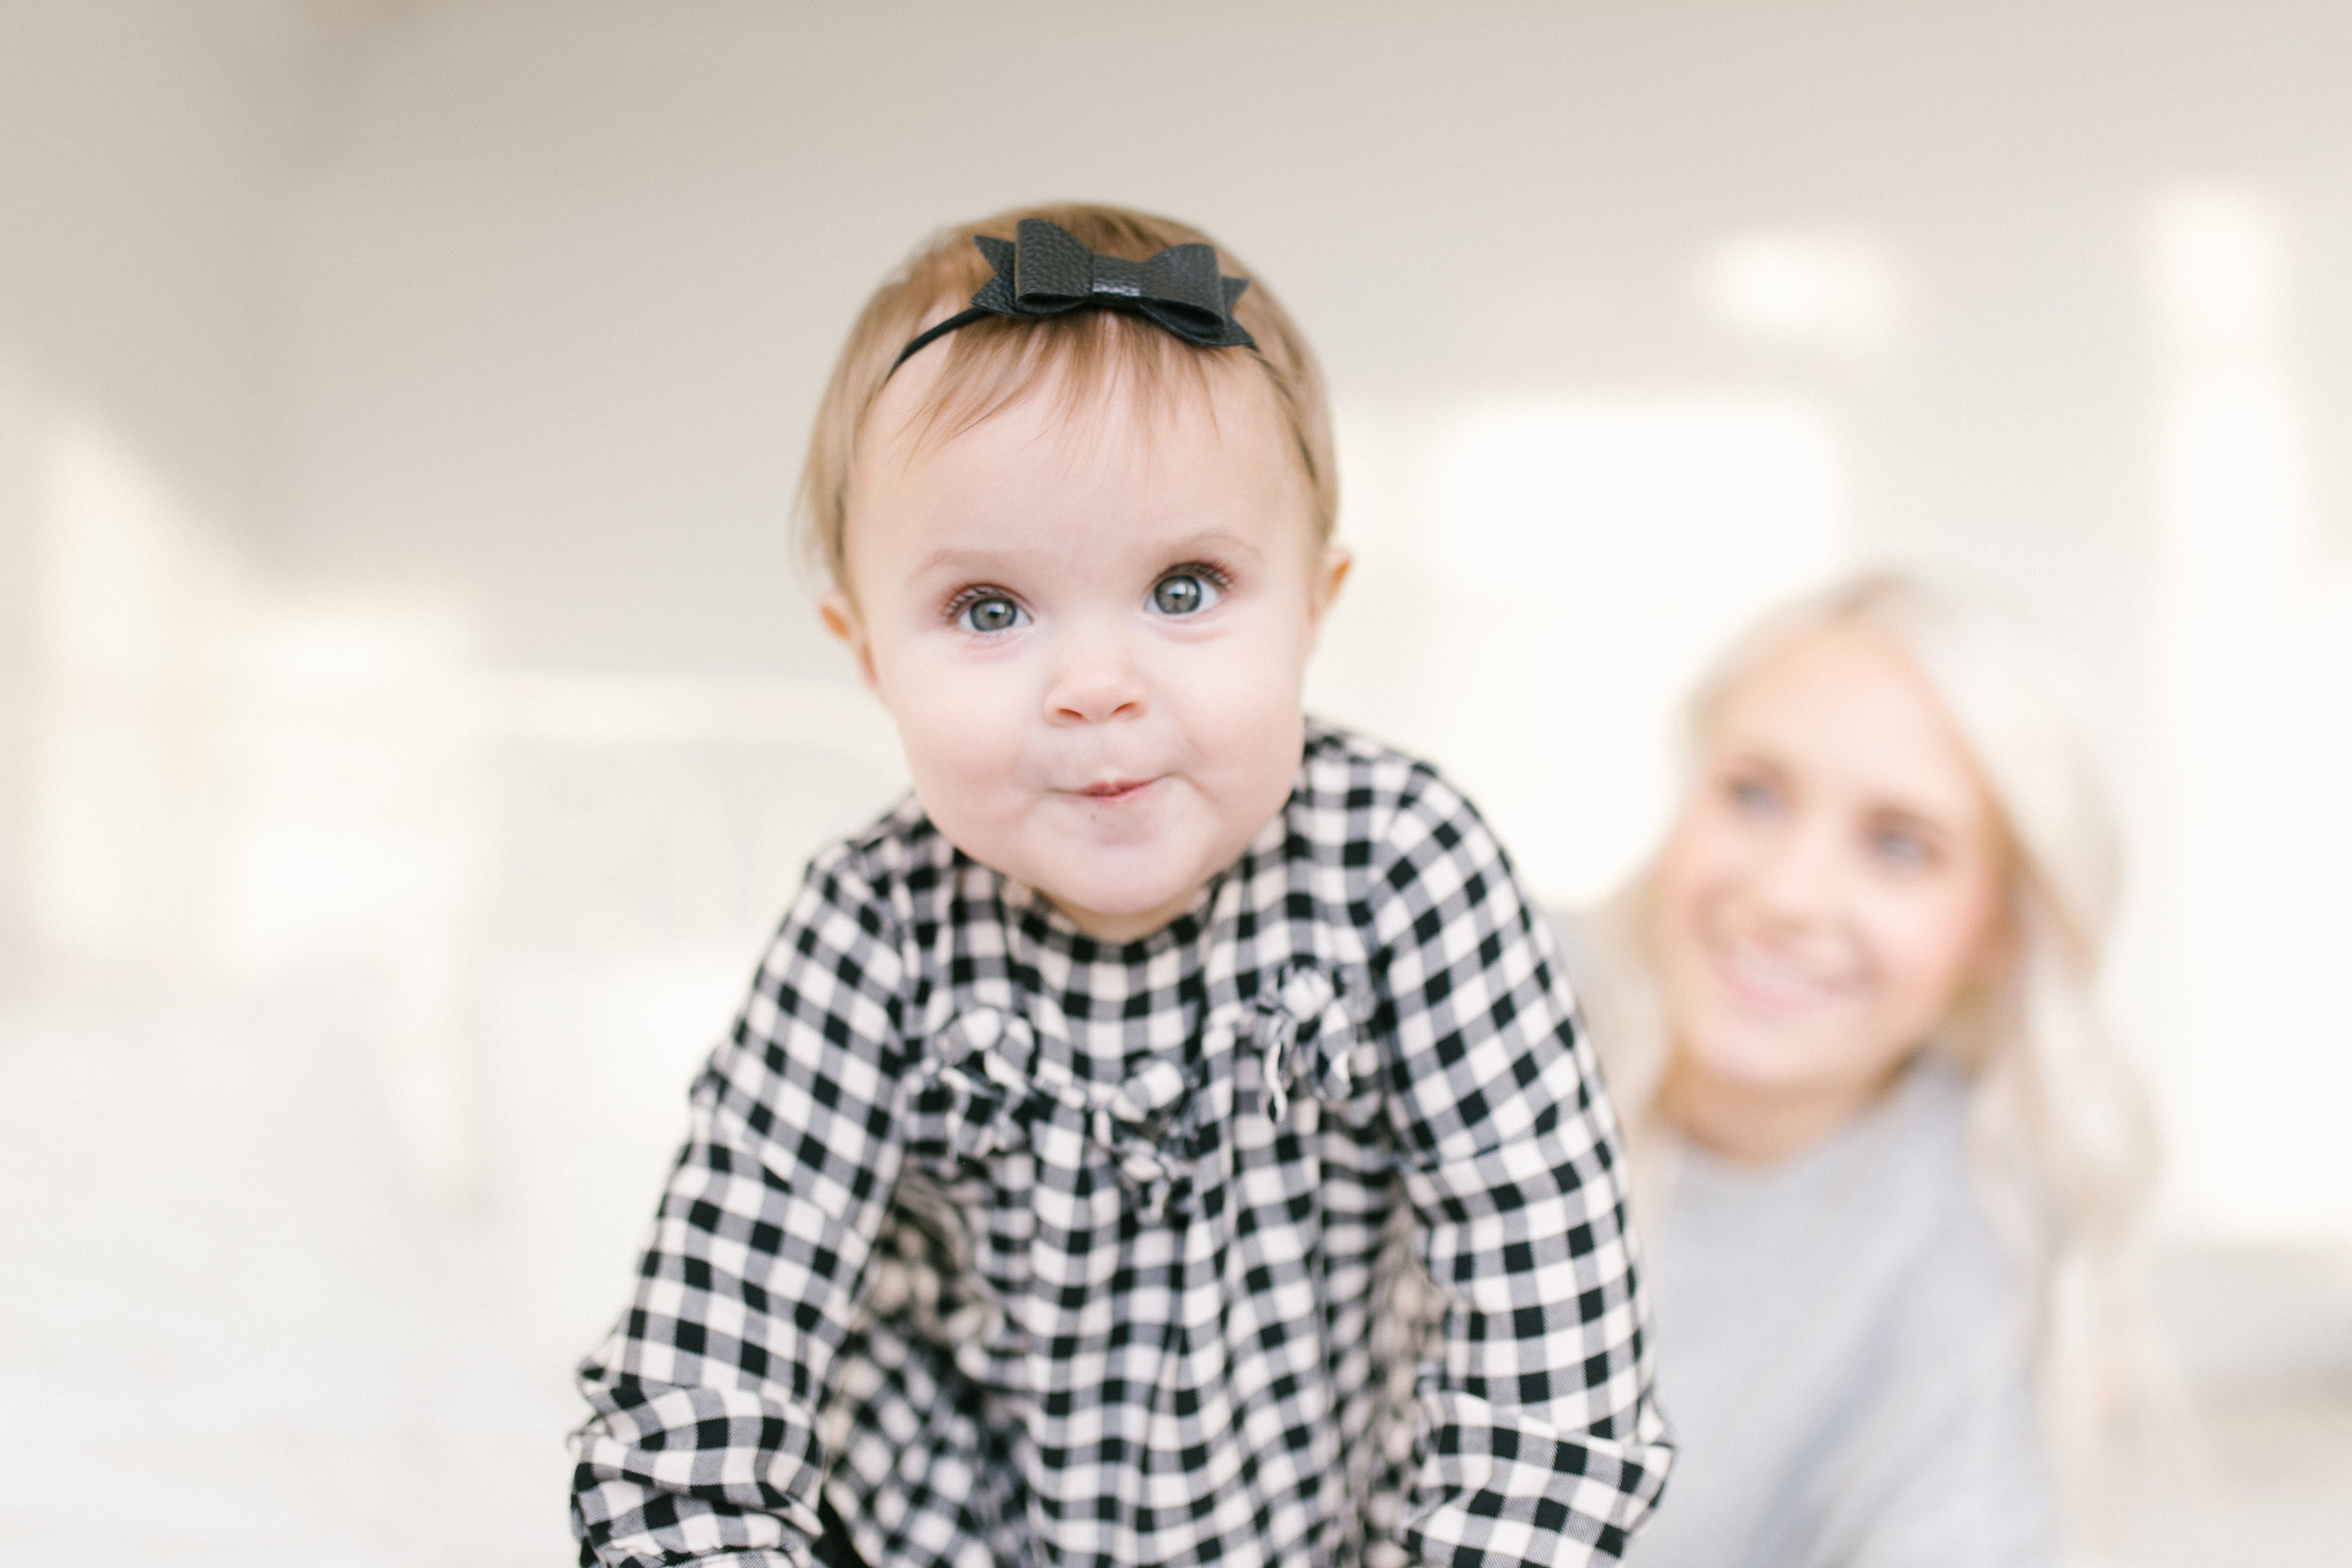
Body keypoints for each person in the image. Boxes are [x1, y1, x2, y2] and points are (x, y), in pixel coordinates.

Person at [567, 204, 1673, 1568]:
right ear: (863, 653)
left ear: (1315, 606)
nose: (1097, 685)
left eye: (1187, 585)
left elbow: (1546, 1319)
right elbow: (709, 1344)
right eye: (989, 608)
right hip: (930, 1527)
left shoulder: (1406, 866)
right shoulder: (876, 923)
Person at [1563, 574, 2159, 1568]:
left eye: (1898, 845)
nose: (1788, 892)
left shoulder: (1976, 1246)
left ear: (1997, 927)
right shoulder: (1460, 995)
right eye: (1751, 793)